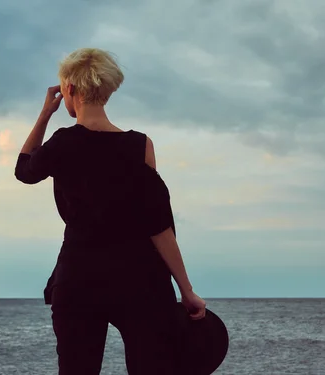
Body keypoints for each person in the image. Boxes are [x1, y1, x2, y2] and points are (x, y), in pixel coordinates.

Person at [14, 47, 206, 375]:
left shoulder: (62, 143)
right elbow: (158, 225)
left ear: (70, 90)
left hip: (79, 278)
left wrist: (45, 114)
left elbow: (24, 170)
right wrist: (186, 290)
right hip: (140, 280)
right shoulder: (140, 145)